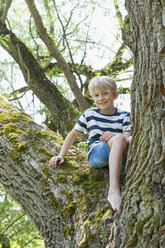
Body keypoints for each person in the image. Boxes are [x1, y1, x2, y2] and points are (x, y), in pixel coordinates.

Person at [49, 76, 132, 211]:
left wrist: (115, 137)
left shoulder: (124, 115)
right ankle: (114, 189)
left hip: (120, 158)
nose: (101, 98)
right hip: (97, 154)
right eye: (96, 95)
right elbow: (72, 135)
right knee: (119, 139)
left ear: (115, 95)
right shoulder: (89, 114)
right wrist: (61, 155)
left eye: (105, 93)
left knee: (131, 139)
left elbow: (126, 138)